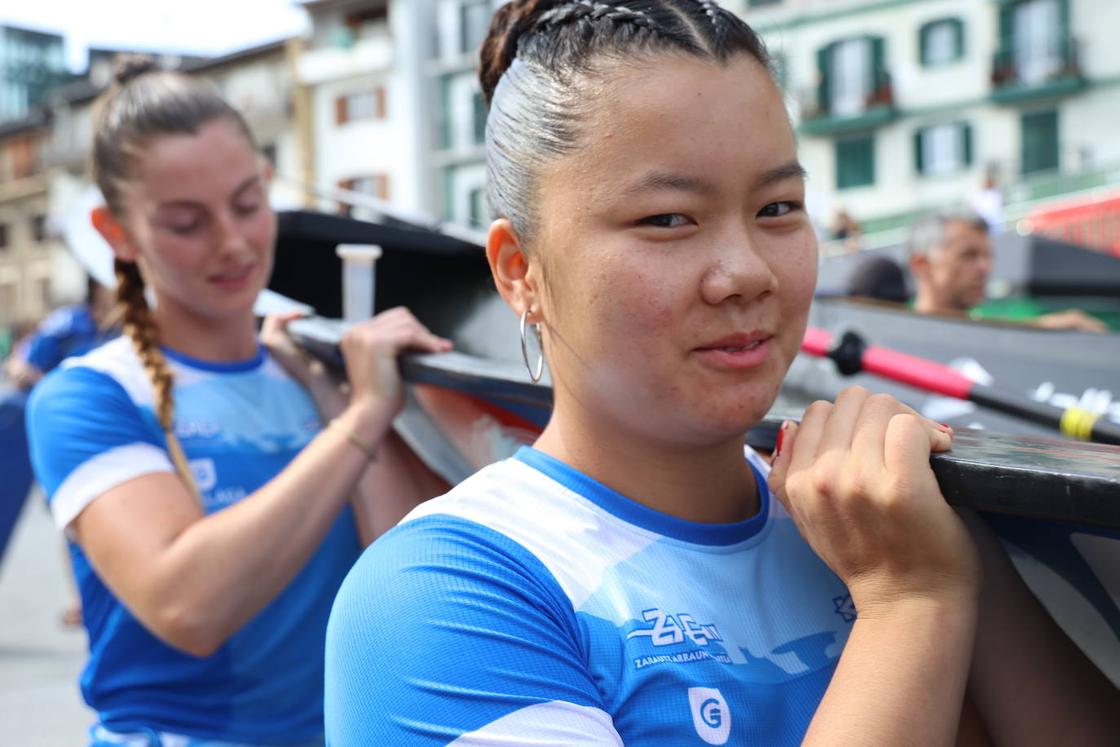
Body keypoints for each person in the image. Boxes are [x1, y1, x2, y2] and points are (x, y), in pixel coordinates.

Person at [325, 2, 1118, 744]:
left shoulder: (879, 512)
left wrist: (940, 552)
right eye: (667, 220)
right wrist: (909, 602)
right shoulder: (443, 598)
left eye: (777, 208)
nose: (745, 273)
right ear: (519, 270)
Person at [25, 58, 450, 746]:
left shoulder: (316, 373)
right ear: (117, 233)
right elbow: (188, 603)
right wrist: (360, 418)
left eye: (249, 203)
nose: (233, 242)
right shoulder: (88, 396)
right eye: (187, 222)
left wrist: (334, 394)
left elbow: (415, 578)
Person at [909, 209, 1107, 332]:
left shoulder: (989, 327)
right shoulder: (892, 342)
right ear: (922, 264)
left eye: (988, 256)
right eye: (968, 255)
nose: (984, 268)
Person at [3, 276, 119, 390]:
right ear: (96, 287)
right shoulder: (68, 320)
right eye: (112, 280)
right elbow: (28, 357)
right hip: (62, 393)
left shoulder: (125, 329)